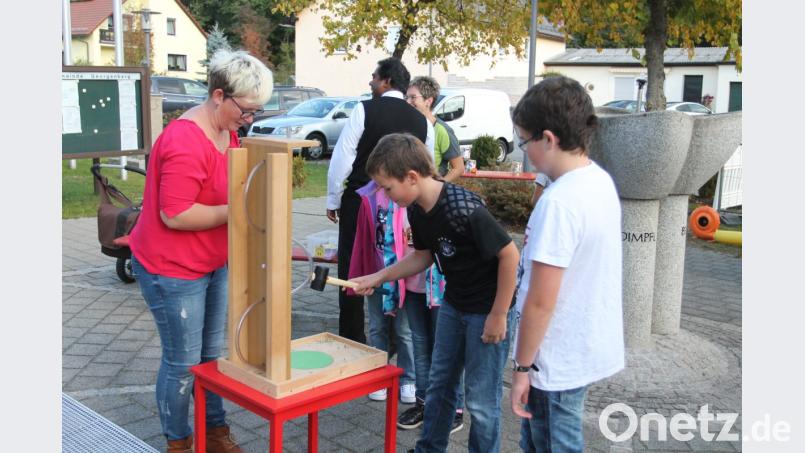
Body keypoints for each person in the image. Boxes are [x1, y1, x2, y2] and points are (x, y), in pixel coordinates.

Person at [129, 49, 273, 453]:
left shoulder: (227, 131)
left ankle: (215, 433)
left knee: (210, 357)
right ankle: (179, 442)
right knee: (182, 362)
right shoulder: (184, 140)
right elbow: (175, 214)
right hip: (171, 268)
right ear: (218, 95)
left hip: (211, 262)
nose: (249, 120)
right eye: (246, 110)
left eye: (256, 112)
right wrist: (240, 208)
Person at [352, 133, 519, 453]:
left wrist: (499, 314)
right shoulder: (416, 208)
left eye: (387, 187)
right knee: (439, 386)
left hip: (487, 310)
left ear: (412, 177)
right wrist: (379, 276)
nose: (384, 195)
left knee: (481, 400)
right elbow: (423, 256)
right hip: (454, 304)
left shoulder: (463, 208)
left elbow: (510, 255)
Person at [508, 76, 625, 453]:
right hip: (578, 346)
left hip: (554, 358)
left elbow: (541, 301)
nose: (524, 151)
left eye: (524, 141)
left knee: (555, 442)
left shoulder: (559, 203)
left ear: (548, 139)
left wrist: (522, 368)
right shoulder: (598, 181)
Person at [326, 57, 435, 344]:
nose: (371, 81)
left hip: (362, 202)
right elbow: (429, 165)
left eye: (374, 77)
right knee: (399, 263)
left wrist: (333, 199)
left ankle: (352, 336)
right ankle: (395, 335)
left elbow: (343, 158)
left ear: (386, 80)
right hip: (405, 206)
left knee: (353, 264)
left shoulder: (364, 109)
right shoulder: (423, 121)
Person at [406, 76, 464, 181]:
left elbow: (458, 168)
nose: (408, 101)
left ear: (428, 101)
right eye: (406, 97)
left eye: (413, 97)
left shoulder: (442, 130)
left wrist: (439, 185)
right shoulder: (406, 126)